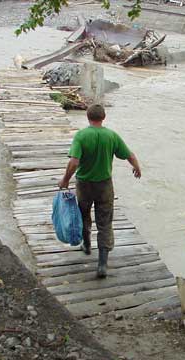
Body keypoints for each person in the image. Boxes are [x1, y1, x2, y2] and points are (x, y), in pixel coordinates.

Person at [59, 104, 141, 278]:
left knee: (83, 215)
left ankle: (87, 245)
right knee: (104, 222)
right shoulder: (111, 136)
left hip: (84, 184)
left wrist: (65, 179)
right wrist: (137, 167)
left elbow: (74, 162)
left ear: (88, 117)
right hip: (104, 185)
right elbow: (129, 155)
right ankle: (102, 264)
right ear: (103, 117)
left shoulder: (81, 136)